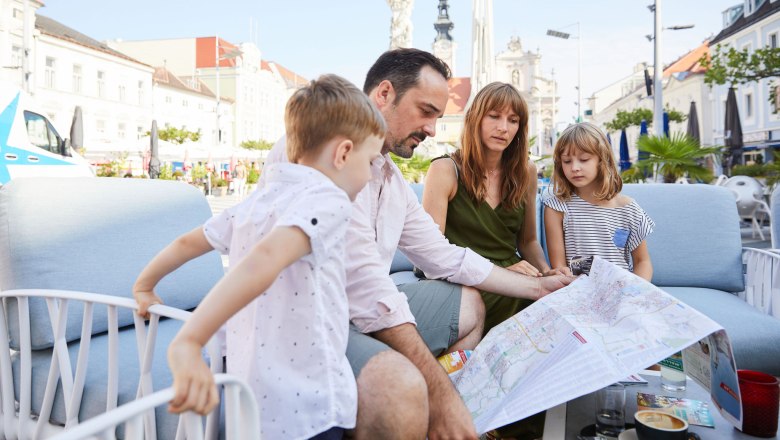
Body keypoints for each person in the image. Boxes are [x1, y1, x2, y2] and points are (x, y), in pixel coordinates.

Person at [265, 48, 574, 439]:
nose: (431, 129)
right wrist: (439, 393)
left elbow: (444, 256)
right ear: (384, 94)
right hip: (310, 324)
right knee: (404, 388)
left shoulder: (388, 177)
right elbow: (367, 288)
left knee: (469, 303)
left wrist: (539, 285)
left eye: (437, 118)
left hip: (353, 313)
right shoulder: (324, 150)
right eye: (426, 111)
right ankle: (428, 412)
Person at [133, 74, 386, 439]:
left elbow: (189, 243)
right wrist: (189, 340)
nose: (369, 175)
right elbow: (265, 259)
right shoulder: (330, 200)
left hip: (250, 405)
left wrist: (144, 284)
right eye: (371, 161)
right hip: (308, 407)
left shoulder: (258, 201)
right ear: (344, 153)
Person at [423, 82, 559, 336]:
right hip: (464, 282)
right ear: (476, 119)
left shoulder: (526, 171)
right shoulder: (444, 170)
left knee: (561, 306)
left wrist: (546, 273)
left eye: (513, 120)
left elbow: (528, 242)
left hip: (518, 282)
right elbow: (430, 256)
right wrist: (498, 274)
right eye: (494, 116)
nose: (503, 128)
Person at [543, 122, 654, 280]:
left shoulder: (629, 208)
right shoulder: (557, 206)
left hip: (622, 291)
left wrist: (636, 293)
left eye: (584, 159)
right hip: (578, 290)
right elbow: (560, 268)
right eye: (567, 161)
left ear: (602, 160)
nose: (574, 167)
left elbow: (642, 261)